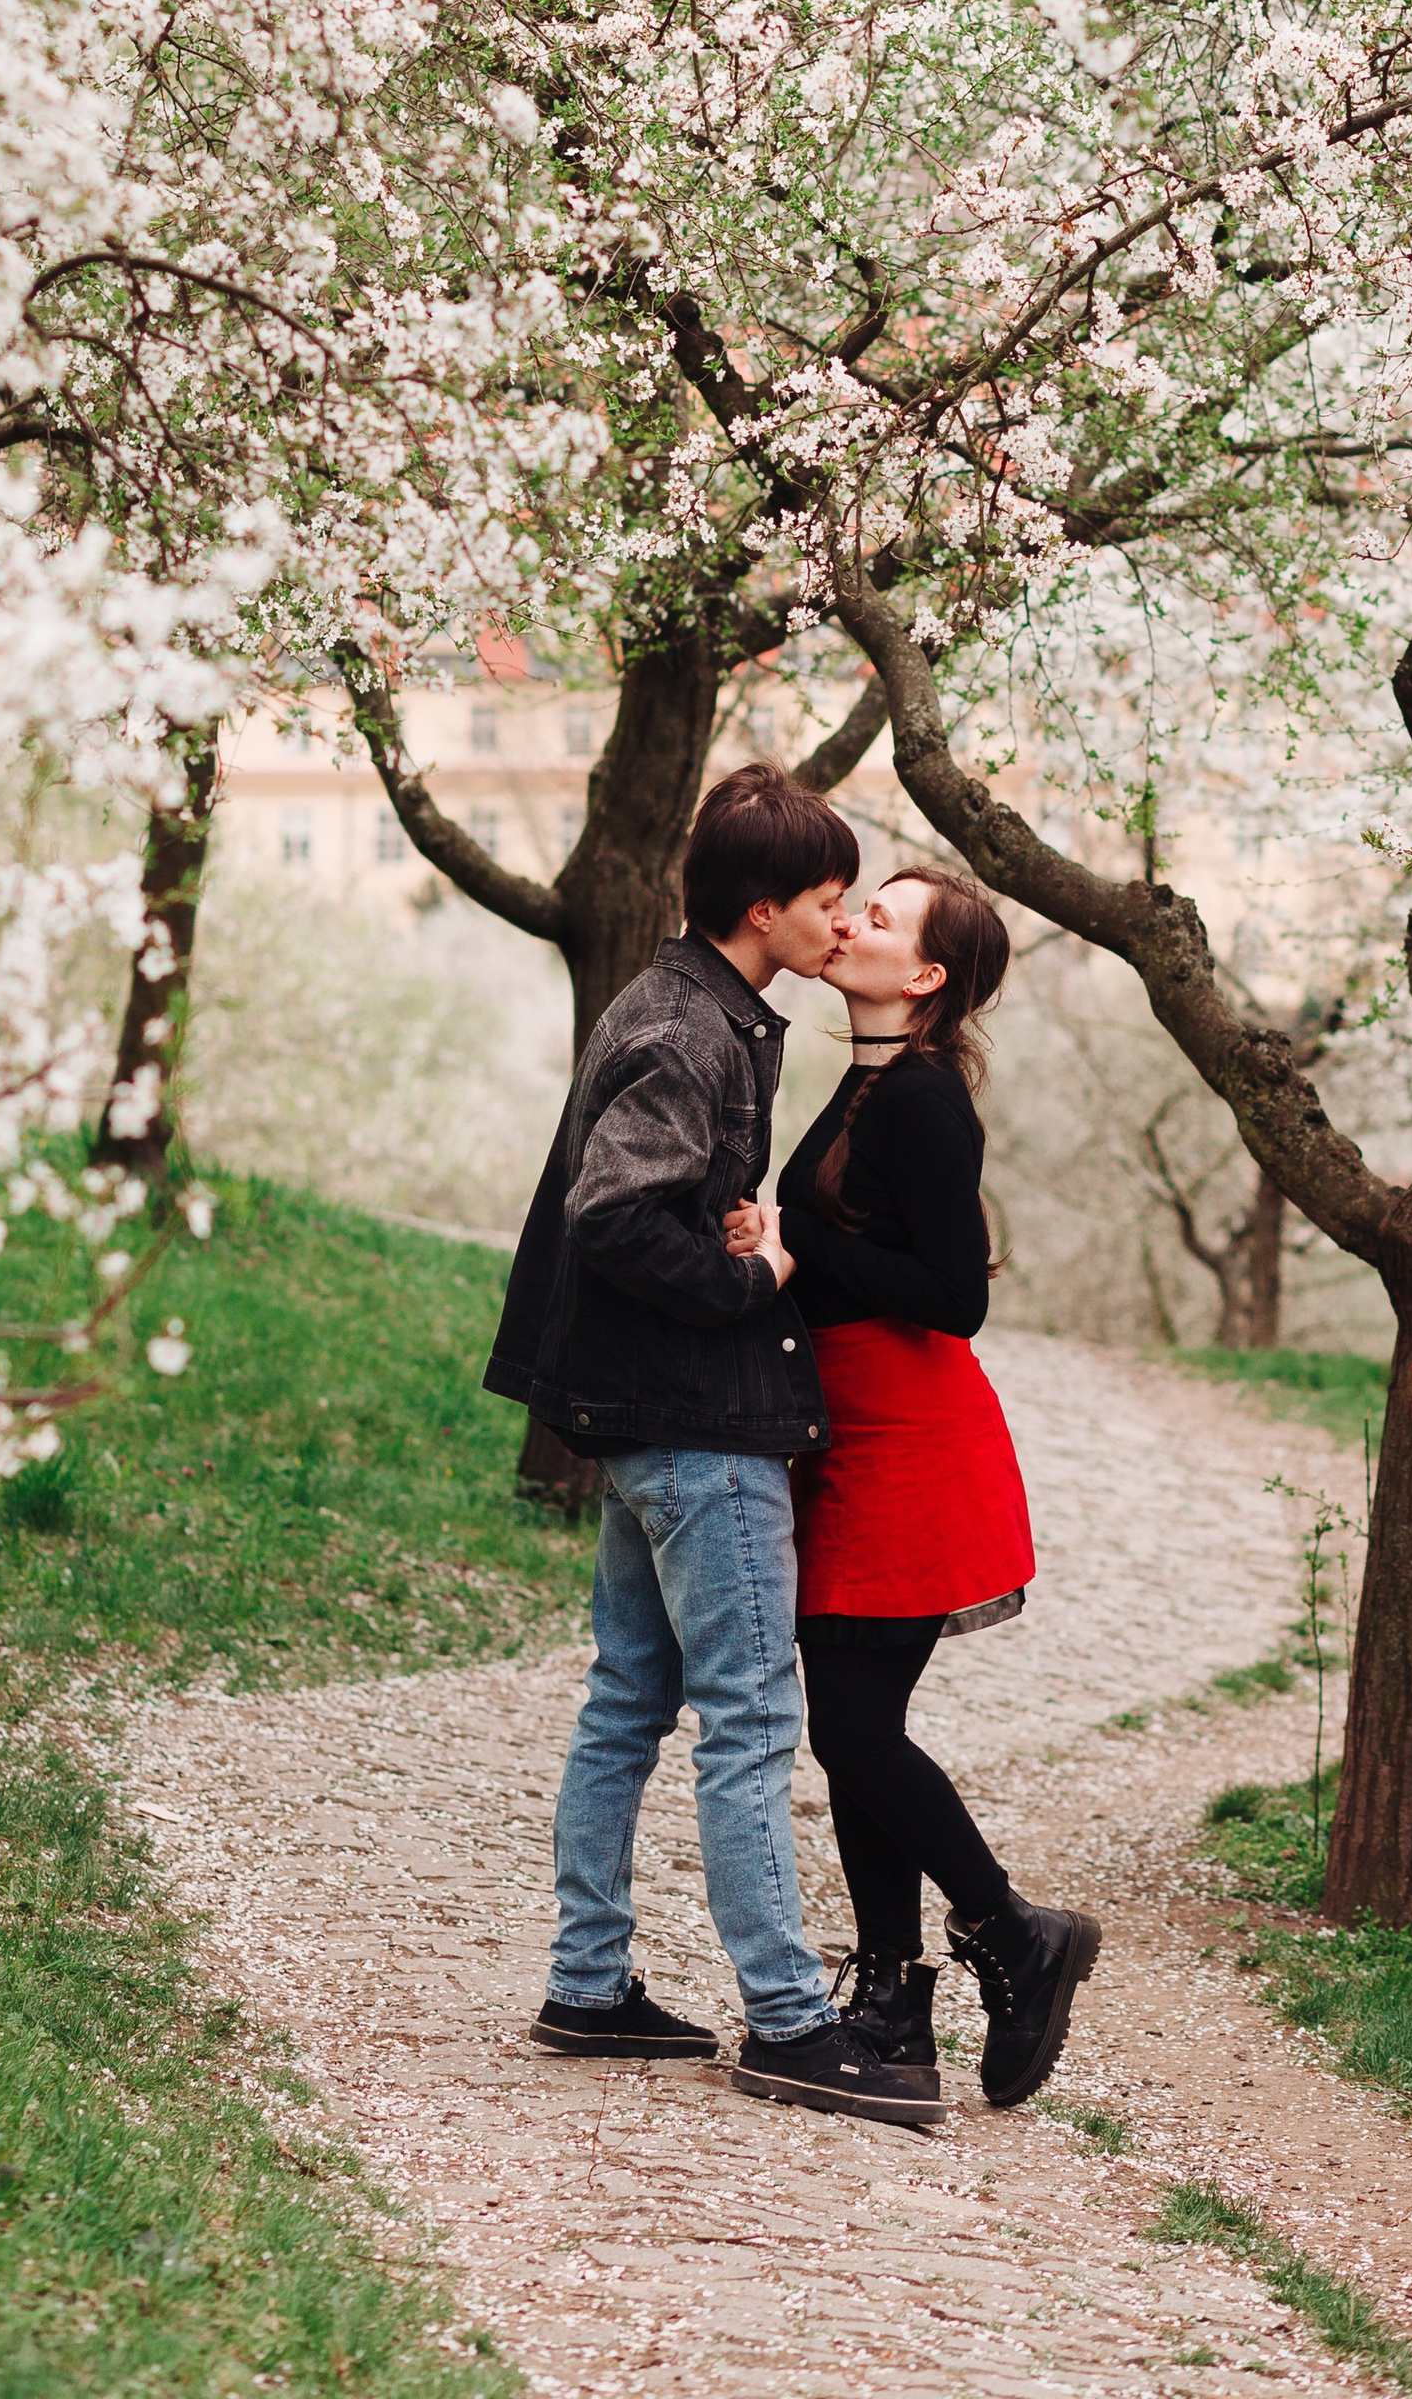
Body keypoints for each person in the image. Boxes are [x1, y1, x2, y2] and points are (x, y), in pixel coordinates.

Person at [483, 763, 936, 2128]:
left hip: (648, 1417)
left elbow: (655, 1199)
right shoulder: (690, 1032)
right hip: (694, 1427)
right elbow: (615, 1214)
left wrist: (731, 1220)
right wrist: (755, 1278)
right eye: (824, 897)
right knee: (749, 1716)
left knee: (629, 1698)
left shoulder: (698, 1006)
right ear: (762, 909)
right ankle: (791, 2021)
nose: (841, 918)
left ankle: (587, 1983)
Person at [748, 860, 1100, 2114]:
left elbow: (958, 1297)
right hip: (851, 1431)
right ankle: (893, 2002)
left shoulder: (922, 1101)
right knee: (852, 1734)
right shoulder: (867, 1078)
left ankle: (1012, 1932)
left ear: (929, 974)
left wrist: (801, 1243)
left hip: (908, 1435)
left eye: (880, 919)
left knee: (851, 1732)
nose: (850, 924)